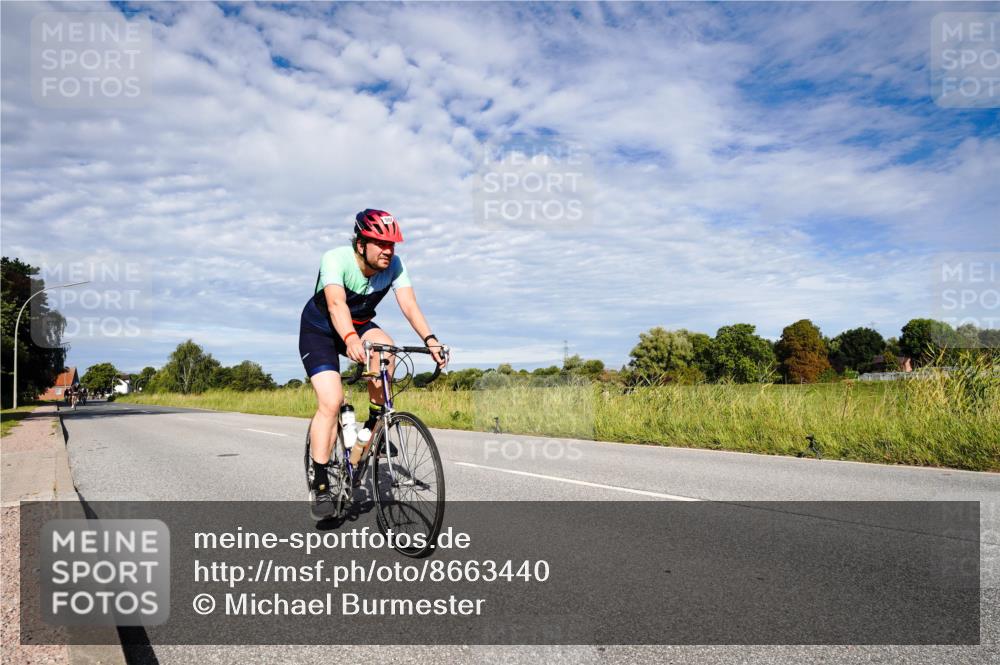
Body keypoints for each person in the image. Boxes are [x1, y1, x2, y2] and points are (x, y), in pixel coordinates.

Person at [299, 209, 446, 519]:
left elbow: (408, 304)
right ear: (361, 243)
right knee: (331, 400)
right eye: (381, 243)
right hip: (321, 329)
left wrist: (431, 340)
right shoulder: (336, 259)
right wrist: (350, 338)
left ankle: (373, 429)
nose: (388, 251)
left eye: (392, 244)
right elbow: (337, 304)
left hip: (360, 324)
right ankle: (321, 481)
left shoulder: (394, 265)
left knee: (388, 349)